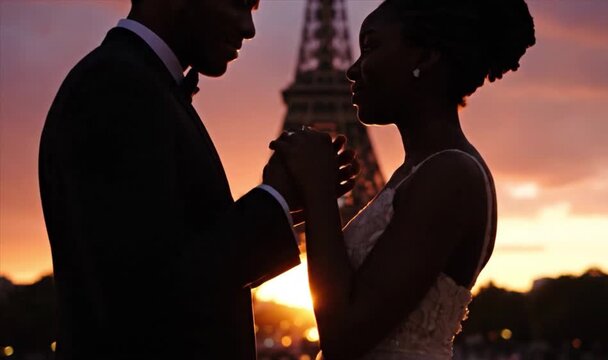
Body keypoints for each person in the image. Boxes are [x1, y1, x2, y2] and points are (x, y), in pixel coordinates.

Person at [38, 0, 357, 359]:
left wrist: (282, 201)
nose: (249, 28)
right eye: (240, 5)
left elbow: (163, 264)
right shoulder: (117, 85)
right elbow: (154, 290)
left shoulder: (134, 82)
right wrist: (274, 199)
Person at [270, 0, 535, 359]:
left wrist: (318, 193)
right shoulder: (420, 173)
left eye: (371, 47)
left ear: (424, 58)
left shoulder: (451, 175)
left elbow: (342, 335)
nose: (351, 69)